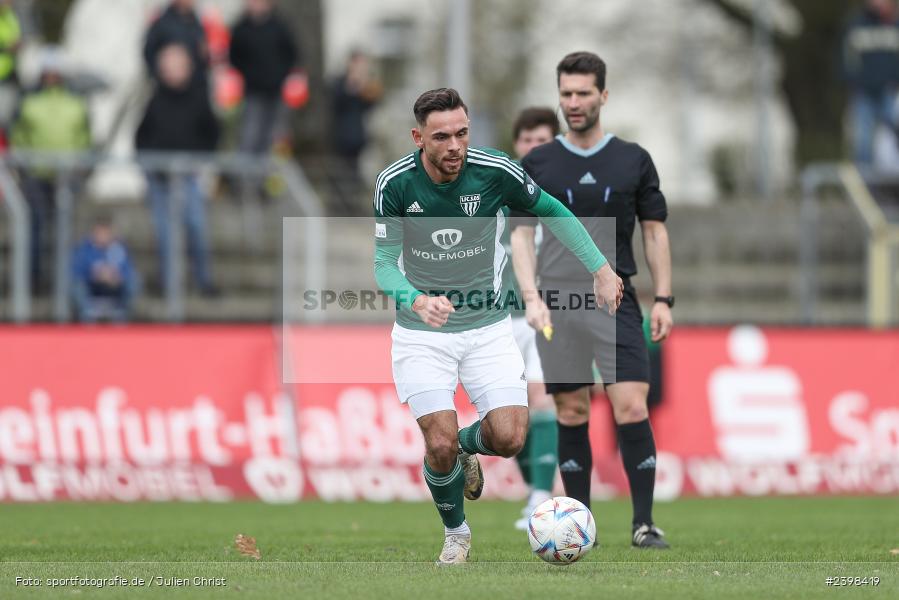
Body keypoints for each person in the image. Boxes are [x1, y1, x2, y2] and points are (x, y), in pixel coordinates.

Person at [373, 87, 622, 564]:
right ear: (418, 137)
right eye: (442, 136)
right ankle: (457, 534)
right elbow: (384, 264)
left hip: (487, 327)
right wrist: (416, 299)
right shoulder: (395, 184)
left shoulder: (496, 171)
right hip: (421, 332)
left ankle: (468, 448)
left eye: (462, 133)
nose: (454, 146)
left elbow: (551, 209)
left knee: (509, 437)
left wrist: (600, 267)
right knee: (438, 440)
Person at [510, 51, 673, 549]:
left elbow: (654, 232)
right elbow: (520, 236)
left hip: (616, 298)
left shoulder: (633, 159)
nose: (573, 102)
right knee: (571, 411)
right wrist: (532, 297)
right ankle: (581, 524)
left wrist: (664, 297)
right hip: (558, 301)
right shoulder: (537, 162)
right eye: (565, 94)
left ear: (604, 95)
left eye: (583, 93)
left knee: (629, 404)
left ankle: (643, 523)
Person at [504, 107, 561, 530]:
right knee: (512, 415)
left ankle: (542, 497)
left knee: (544, 397)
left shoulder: (564, 194)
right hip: (497, 317)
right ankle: (535, 493)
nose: (532, 147)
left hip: (548, 312)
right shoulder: (496, 192)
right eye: (526, 139)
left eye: (541, 140)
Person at [136, 43, 219, 296]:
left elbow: (212, 134)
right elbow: (141, 138)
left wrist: (199, 162)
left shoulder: (199, 98)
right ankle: (169, 286)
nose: (170, 72)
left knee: (196, 228)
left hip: (189, 177)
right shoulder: (154, 100)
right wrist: (150, 168)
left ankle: (204, 282)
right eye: (166, 67)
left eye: (175, 66)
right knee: (165, 234)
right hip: (160, 179)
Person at [11, 49, 91, 292]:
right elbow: (19, 134)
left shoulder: (75, 102)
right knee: (33, 228)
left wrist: (80, 164)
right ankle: (33, 280)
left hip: (66, 175)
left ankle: (63, 281)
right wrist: (24, 162)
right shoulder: (29, 101)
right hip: (35, 174)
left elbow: (84, 136)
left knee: (65, 230)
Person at [229, 0, 298, 157]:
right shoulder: (241, 28)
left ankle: (270, 177)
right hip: (253, 92)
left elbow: (291, 54)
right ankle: (246, 178)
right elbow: (234, 57)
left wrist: (280, 75)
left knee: (275, 136)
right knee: (250, 134)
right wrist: (249, 74)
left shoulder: (280, 27)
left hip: (276, 91)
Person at [843, 0, 899, 166]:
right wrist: (854, 83)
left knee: (892, 137)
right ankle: (864, 185)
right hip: (864, 93)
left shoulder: (895, 26)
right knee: (863, 142)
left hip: (891, 93)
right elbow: (845, 60)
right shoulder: (855, 25)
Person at [332, 50, 382, 212]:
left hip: (358, 136)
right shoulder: (340, 83)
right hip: (341, 136)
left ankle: (352, 206)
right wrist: (352, 86)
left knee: (355, 173)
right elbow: (336, 103)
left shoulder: (366, 85)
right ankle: (341, 206)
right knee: (341, 172)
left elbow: (371, 106)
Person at [70, 215, 139, 323]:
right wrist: (95, 275)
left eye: (106, 233)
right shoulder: (84, 249)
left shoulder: (119, 248)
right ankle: (87, 317)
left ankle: (121, 316)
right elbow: (77, 271)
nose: (103, 236)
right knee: (77, 286)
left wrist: (116, 276)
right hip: (92, 287)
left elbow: (128, 270)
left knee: (134, 282)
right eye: (100, 233)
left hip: (114, 287)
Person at [143, 0, 208, 87]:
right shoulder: (162, 24)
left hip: (195, 88)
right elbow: (149, 53)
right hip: (170, 93)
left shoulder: (197, 22)